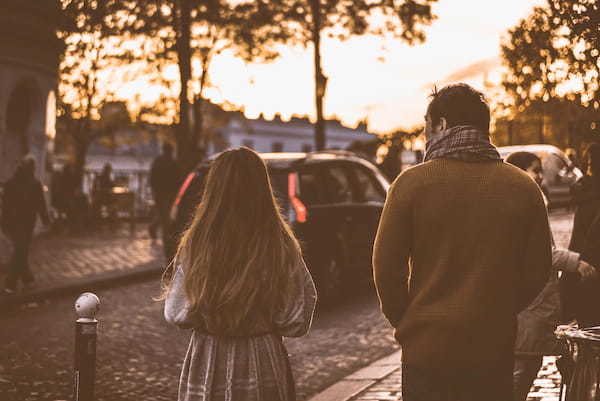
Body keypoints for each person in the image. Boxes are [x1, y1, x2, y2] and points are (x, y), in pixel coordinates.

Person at [372, 83, 552, 401]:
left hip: (427, 351)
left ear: (441, 124)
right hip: (491, 347)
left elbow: (386, 270)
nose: (425, 135)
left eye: (426, 126)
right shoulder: (523, 188)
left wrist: (409, 321)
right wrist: (498, 309)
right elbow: (538, 270)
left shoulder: (410, 184)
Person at [162, 147, 317, 401]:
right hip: (261, 359)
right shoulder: (280, 244)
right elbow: (296, 318)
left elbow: (176, 312)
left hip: (208, 358)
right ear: (263, 189)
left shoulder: (197, 244)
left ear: (213, 190)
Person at [506, 151, 597, 401]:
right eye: (534, 170)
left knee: (528, 363)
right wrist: (576, 262)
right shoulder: (519, 204)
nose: (540, 177)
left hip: (532, 304)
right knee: (522, 367)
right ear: (517, 171)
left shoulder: (525, 201)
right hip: (528, 303)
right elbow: (541, 252)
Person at [1, 155, 50, 293]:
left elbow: (6, 205)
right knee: (21, 250)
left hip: (14, 222)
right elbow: (41, 204)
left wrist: (4, 222)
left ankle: (27, 280)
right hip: (26, 222)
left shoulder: (11, 183)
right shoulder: (34, 184)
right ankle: (12, 283)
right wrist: (46, 220)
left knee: (20, 250)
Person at [564, 143, 600, 327]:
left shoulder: (585, 192)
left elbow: (579, 240)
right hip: (591, 272)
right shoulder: (592, 195)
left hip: (583, 271)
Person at [149, 143, 180, 261]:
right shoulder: (172, 162)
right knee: (165, 218)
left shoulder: (159, 161)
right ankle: (166, 241)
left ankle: (153, 228)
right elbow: (177, 179)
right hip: (165, 194)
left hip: (162, 194)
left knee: (163, 215)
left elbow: (152, 178)